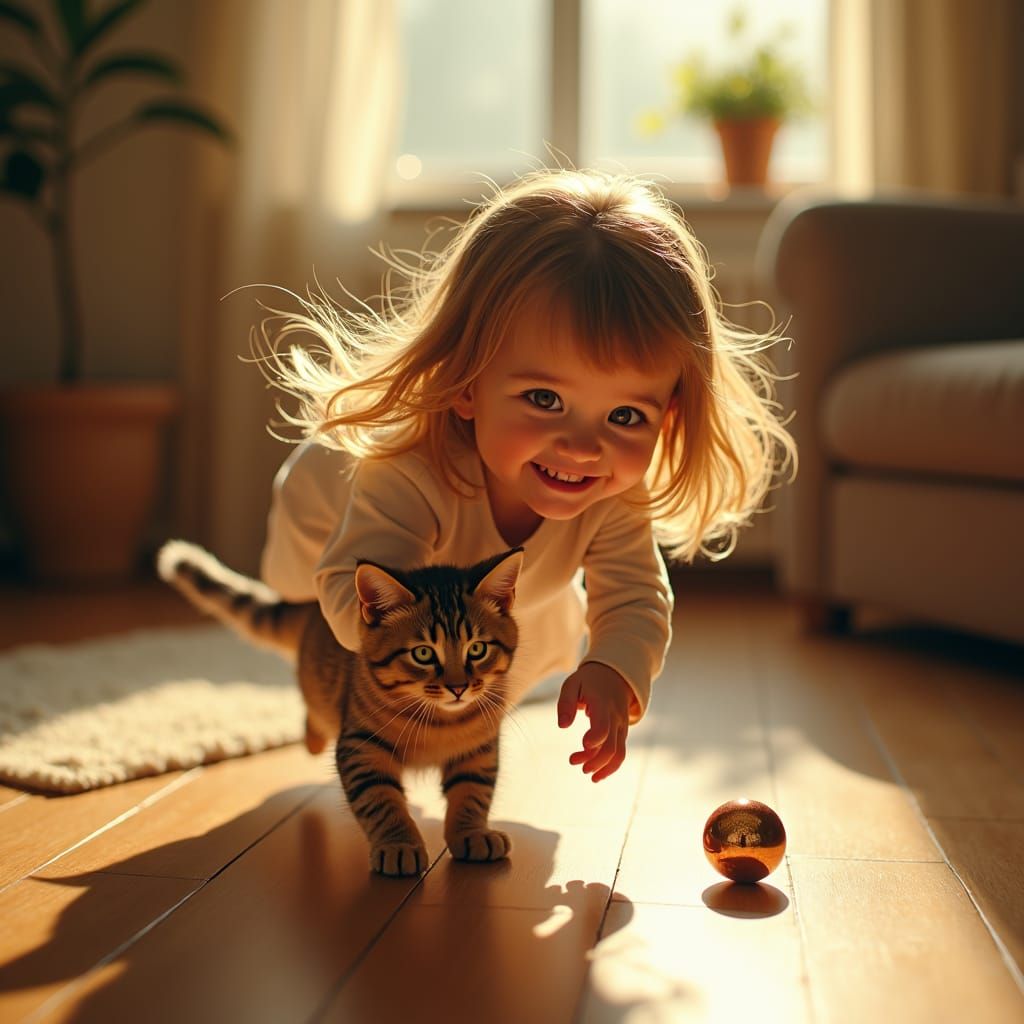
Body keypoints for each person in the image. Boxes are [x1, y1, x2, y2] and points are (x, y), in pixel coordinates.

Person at [256, 168, 796, 783]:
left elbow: (634, 594)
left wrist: (616, 670)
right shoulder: (408, 474)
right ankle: (324, 701)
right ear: (464, 383)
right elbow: (359, 598)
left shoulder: (616, 496)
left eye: (624, 415)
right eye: (544, 399)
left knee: (543, 626)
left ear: (667, 418)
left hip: (510, 584)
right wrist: (369, 651)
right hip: (329, 509)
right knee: (317, 608)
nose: (584, 447)